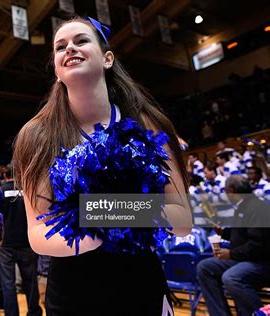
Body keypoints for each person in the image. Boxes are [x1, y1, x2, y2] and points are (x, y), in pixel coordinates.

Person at [13, 16, 192, 315]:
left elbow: (183, 219)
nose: (70, 48)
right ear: (57, 71)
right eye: (60, 47)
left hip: (142, 288)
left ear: (107, 58)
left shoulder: (150, 124)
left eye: (81, 40)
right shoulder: (37, 135)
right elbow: (39, 234)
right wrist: (120, 218)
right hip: (73, 297)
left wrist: (96, 211)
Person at [197, 175, 270, 316]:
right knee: (205, 267)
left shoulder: (258, 208)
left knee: (231, 277)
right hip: (244, 259)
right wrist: (223, 233)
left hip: (262, 263)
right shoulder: (243, 206)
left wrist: (231, 254)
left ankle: (259, 314)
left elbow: (258, 245)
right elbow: (242, 235)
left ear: (231, 191)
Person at [0, 163, 42, 316]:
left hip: (5, 244)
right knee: (30, 281)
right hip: (27, 242)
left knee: (8, 284)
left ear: (5, 175)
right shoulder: (28, 191)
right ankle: (34, 312)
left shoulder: (0, 191)